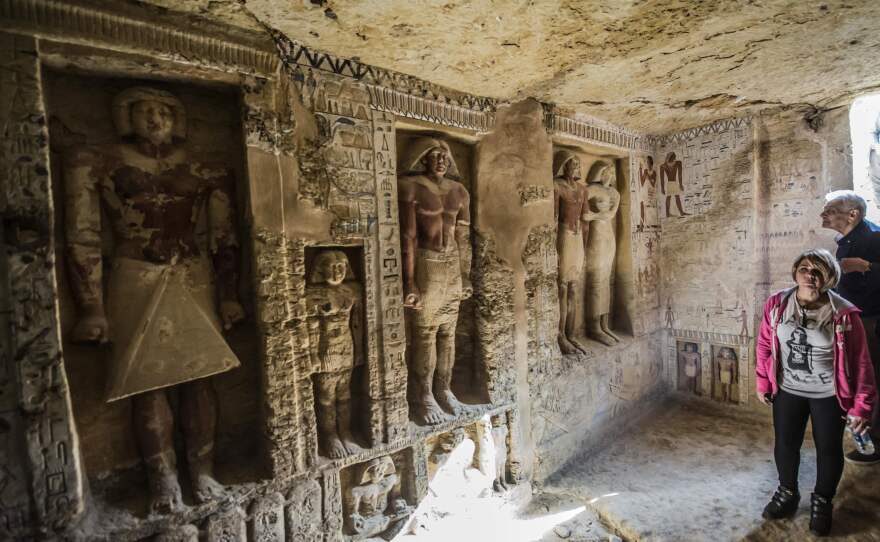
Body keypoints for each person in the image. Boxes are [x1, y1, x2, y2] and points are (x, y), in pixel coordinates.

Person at [64, 87, 245, 513]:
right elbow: (82, 234)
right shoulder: (97, 163)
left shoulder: (206, 170)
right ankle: (163, 480)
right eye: (144, 110)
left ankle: (202, 471)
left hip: (193, 274)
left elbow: (224, 238)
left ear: (178, 119)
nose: (154, 118)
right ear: (124, 116)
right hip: (133, 276)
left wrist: (231, 295)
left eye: (164, 110)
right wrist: (91, 306)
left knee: (201, 378)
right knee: (148, 382)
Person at [756, 249, 876, 536]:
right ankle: (787, 492)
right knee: (785, 444)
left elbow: (861, 364)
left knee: (828, 448)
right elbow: (764, 345)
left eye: (818, 270)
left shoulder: (844, 314)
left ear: (829, 277)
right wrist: (763, 381)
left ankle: (822, 501)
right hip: (788, 390)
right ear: (796, 272)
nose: (810, 275)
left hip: (828, 394)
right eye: (805, 268)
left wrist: (862, 406)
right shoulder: (777, 304)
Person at [398, 137, 472, 425]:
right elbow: (409, 237)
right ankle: (423, 395)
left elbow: (464, 238)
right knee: (425, 333)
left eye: (445, 155)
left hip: (452, 264)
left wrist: (465, 274)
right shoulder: (412, 187)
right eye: (435, 154)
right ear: (423, 158)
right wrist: (409, 281)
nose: (441, 159)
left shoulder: (460, 191)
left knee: (448, 332)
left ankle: (444, 388)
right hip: (427, 262)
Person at [821, 190, 880, 465]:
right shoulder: (846, 241)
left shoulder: (873, 236)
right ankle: (863, 437)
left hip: (870, 320)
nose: (824, 214)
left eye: (830, 210)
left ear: (853, 214)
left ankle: (873, 444)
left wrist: (866, 265)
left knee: (871, 380)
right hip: (852, 319)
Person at [552, 150, 589, 355]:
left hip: (577, 241)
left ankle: (572, 334)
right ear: (563, 165)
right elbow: (554, 220)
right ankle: (560, 335)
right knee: (563, 288)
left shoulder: (583, 189)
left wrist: (585, 246)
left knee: (575, 289)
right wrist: (554, 250)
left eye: (576, 163)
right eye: (570, 163)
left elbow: (585, 222)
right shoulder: (557, 186)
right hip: (564, 237)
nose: (574, 166)